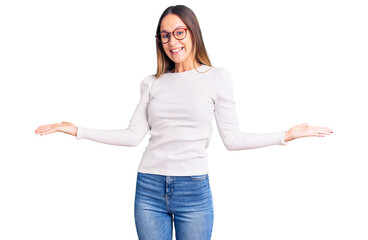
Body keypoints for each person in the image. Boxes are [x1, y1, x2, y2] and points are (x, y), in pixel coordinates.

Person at [35, 5, 333, 240]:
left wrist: (286, 135)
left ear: (193, 33)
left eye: (179, 32)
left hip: (193, 190)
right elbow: (132, 135)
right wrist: (77, 131)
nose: (172, 41)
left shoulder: (217, 78)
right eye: (165, 35)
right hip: (148, 188)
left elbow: (232, 139)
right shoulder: (151, 83)